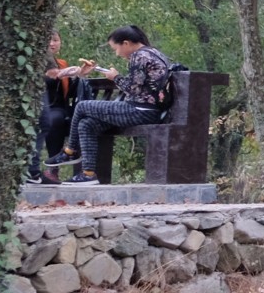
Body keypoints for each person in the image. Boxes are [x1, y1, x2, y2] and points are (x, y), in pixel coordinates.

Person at [52, 26, 176, 185]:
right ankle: (88, 174)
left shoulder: (139, 56)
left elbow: (134, 90)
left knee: (82, 106)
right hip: (147, 109)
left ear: (126, 43)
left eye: (115, 49)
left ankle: (69, 151)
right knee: (86, 124)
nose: (116, 53)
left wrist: (115, 77)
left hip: (139, 110)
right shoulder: (152, 53)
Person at [25, 32, 88, 185]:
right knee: (49, 120)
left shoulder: (61, 63)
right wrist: (58, 74)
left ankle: (52, 170)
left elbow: (70, 92)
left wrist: (79, 76)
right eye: (48, 40)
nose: (52, 44)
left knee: (57, 118)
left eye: (55, 40)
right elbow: (45, 80)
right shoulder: (36, 63)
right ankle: (37, 170)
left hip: (58, 107)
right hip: (40, 107)